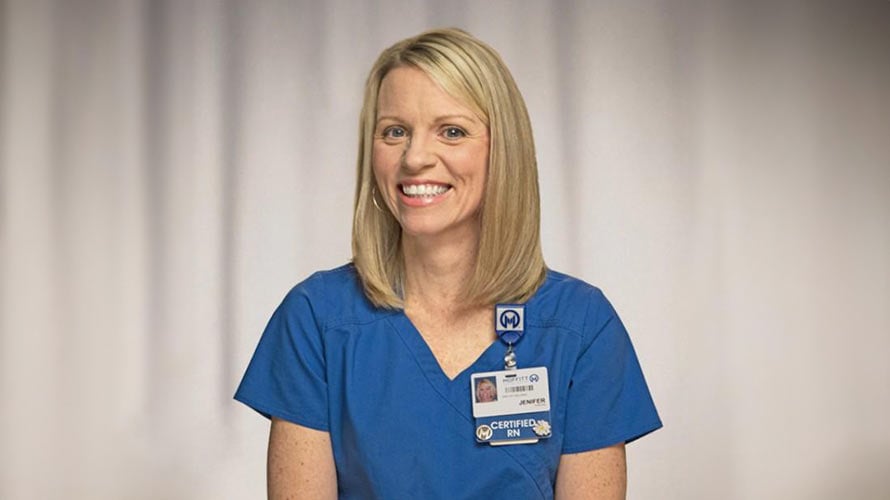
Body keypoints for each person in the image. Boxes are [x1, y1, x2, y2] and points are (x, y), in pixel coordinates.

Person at [235, 28, 661, 499]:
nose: (415, 158)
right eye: (394, 131)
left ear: (503, 150)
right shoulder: (317, 319)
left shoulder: (580, 326)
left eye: (452, 131)